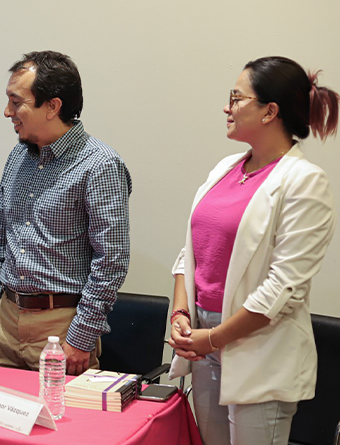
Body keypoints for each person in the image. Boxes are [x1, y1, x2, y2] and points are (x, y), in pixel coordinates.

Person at [168, 56, 338, 444]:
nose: (227, 107)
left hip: (257, 348)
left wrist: (214, 337)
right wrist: (181, 313)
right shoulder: (225, 168)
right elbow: (190, 253)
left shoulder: (304, 182)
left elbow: (284, 288)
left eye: (237, 97)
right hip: (204, 342)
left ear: (269, 112)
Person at [0, 51, 131, 375]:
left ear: (52, 107)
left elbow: (111, 261)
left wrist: (82, 336)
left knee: (62, 423)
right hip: (6, 317)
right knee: (0, 421)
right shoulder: (18, 157)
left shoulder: (100, 165)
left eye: (17, 102)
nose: (7, 112)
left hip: (61, 325)